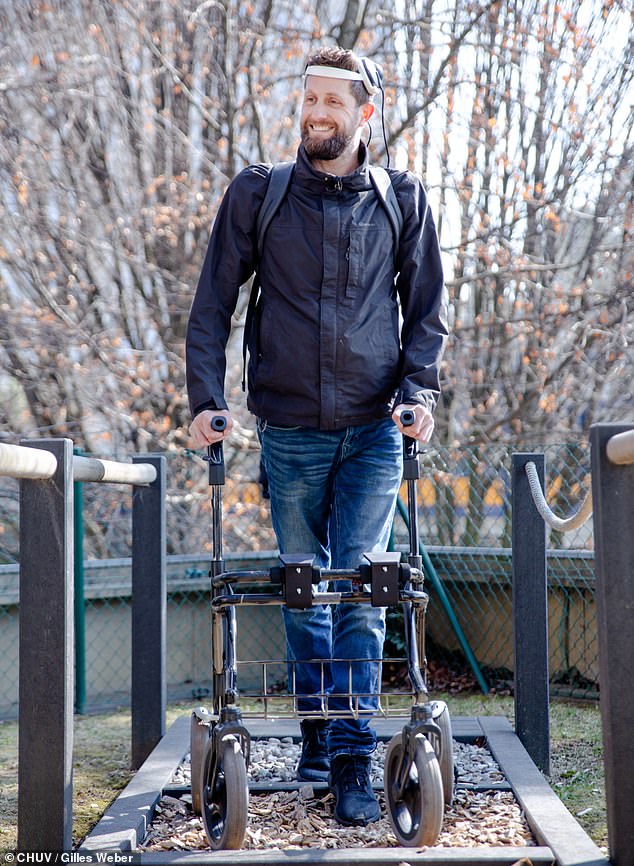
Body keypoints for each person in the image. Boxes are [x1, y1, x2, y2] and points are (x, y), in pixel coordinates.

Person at [186, 45, 448, 827]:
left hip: (374, 431)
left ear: (366, 113)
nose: (317, 114)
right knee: (305, 591)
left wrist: (419, 391)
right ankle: (319, 728)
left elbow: (426, 315)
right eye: (309, 100)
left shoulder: (401, 199)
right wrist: (206, 399)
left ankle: (350, 759)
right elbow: (211, 305)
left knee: (363, 589)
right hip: (290, 432)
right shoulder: (259, 194)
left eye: (334, 102)